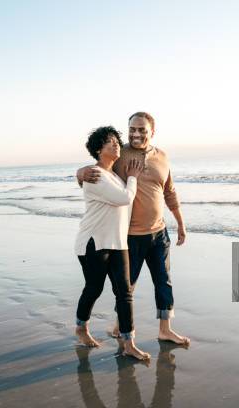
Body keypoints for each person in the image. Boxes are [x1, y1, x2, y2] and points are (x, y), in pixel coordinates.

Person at [77, 112, 190, 346]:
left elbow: (169, 191)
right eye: (132, 129)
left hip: (159, 232)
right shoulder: (120, 153)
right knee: (126, 287)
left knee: (164, 281)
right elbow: (98, 170)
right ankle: (121, 326)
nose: (136, 134)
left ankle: (165, 329)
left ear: (152, 132)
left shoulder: (162, 156)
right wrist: (79, 173)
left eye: (142, 130)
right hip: (130, 236)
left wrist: (180, 222)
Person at [74, 125, 150, 360]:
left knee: (125, 293)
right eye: (110, 142)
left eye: (117, 140)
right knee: (94, 288)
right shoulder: (95, 175)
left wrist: (128, 178)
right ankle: (81, 328)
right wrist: (134, 178)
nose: (116, 144)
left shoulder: (115, 176)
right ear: (98, 149)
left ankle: (128, 342)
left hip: (118, 243)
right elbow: (124, 198)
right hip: (94, 243)